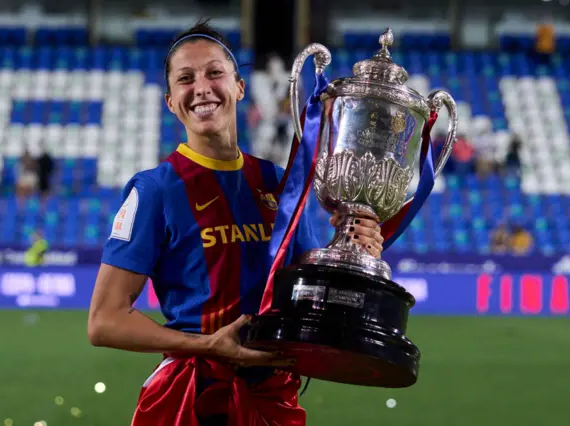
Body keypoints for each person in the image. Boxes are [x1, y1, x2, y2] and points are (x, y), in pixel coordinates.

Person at [87, 20, 384, 426]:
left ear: (240, 87)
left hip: (273, 397)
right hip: (193, 400)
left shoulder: (280, 183)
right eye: (185, 79)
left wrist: (353, 247)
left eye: (214, 73)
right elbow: (104, 321)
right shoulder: (155, 190)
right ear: (171, 101)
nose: (202, 88)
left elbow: (307, 290)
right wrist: (207, 345)